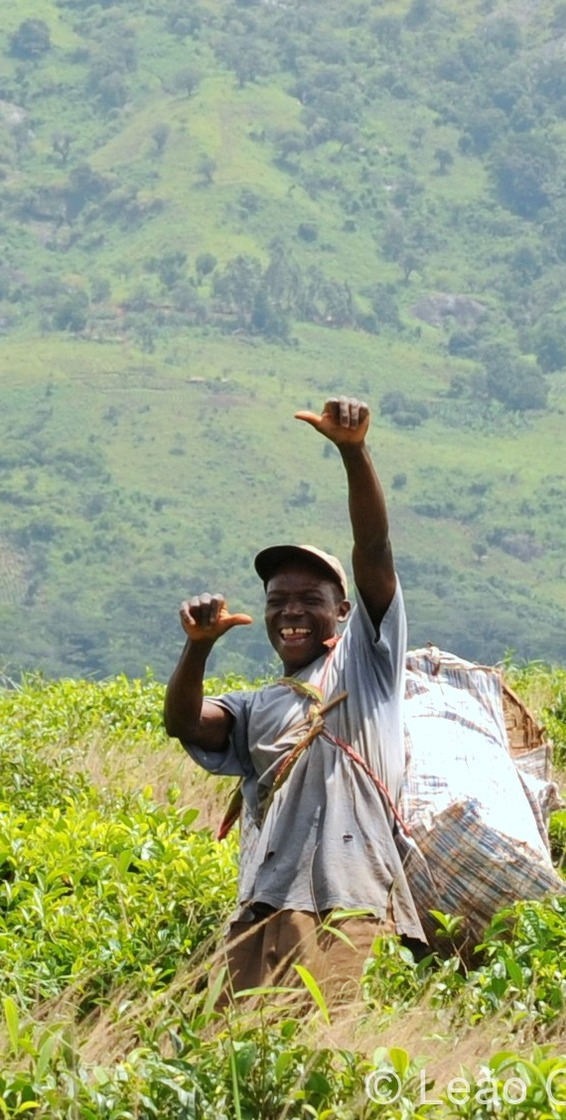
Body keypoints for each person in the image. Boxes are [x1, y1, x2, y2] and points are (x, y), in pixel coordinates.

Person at [163, 396, 417, 1003]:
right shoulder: (256, 705)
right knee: (244, 1049)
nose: (291, 612)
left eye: (309, 600)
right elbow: (184, 723)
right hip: (263, 906)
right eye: (278, 601)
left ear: (344, 610)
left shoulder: (365, 662)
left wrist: (353, 454)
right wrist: (197, 648)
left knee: (338, 1046)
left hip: (351, 902)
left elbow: (374, 550)